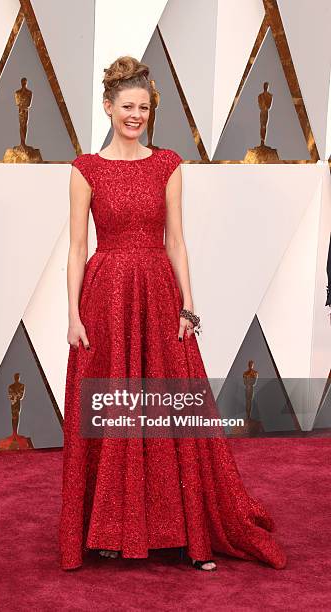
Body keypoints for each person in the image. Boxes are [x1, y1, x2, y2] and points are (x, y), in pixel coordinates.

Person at [58, 56, 287, 572]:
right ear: (108, 107)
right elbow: (76, 248)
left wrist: (189, 305)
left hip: (159, 293)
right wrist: (72, 315)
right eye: (127, 107)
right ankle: (112, 530)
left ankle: (185, 531)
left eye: (143, 107)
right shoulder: (84, 170)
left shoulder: (169, 164)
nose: (135, 115)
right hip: (106, 296)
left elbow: (178, 241)